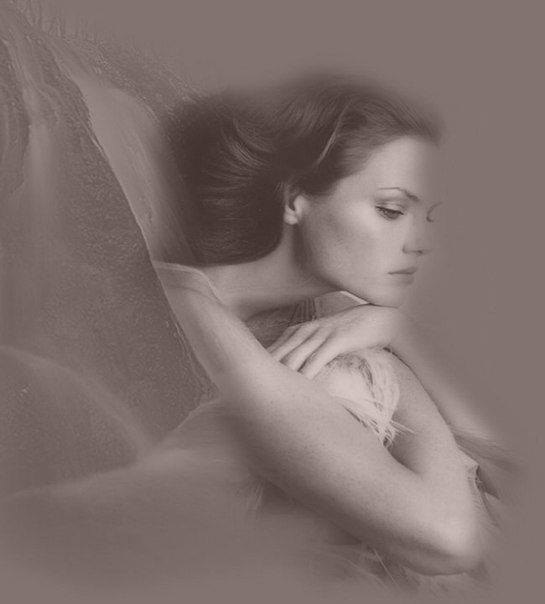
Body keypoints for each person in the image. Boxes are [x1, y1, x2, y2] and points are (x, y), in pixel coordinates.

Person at [146, 73, 515, 595]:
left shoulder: (341, 322)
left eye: (427, 216)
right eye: (391, 210)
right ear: (295, 198)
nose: (421, 242)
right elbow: (450, 536)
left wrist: (398, 329)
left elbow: (509, 481)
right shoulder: (181, 301)